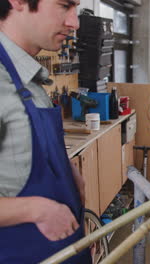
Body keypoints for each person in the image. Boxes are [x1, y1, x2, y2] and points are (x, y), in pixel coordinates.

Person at [0, 0, 91, 263]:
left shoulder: (29, 81)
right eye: (64, 5)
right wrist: (34, 210)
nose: (75, 23)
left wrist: (66, 170)